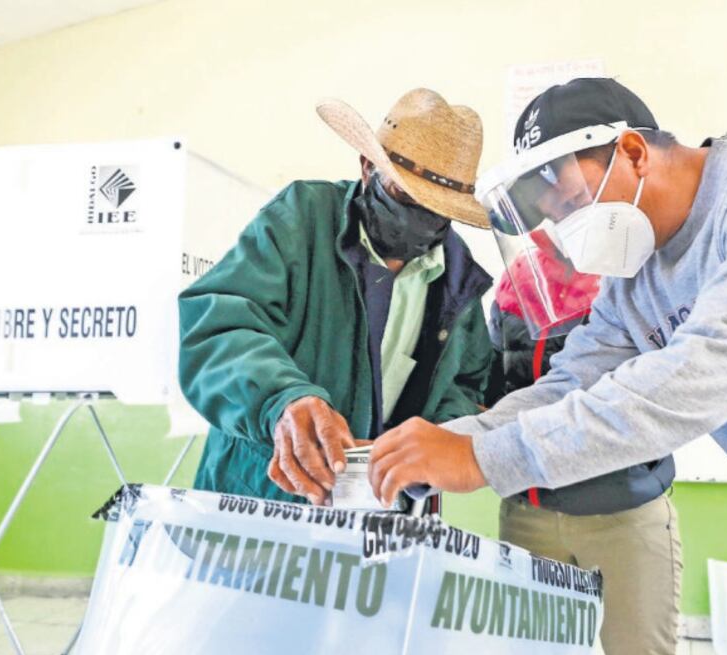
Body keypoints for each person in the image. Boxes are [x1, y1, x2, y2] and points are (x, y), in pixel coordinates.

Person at [367, 78, 727, 655]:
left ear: (634, 153)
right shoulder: (633, 284)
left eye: (568, 204)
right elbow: (569, 382)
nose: (566, 231)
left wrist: (484, 459)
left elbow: (700, 374)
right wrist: (455, 441)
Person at [179, 88, 493, 507]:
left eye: (437, 209)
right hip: (262, 500)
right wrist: (284, 399)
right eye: (405, 195)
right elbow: (218, 327)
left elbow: (466, 387)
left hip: (384, 518)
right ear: (367, 167)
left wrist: (430, 450)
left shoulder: (459, 280)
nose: (420, 218)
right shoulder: (300, 219)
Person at [487, 237, 681, 655]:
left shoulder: (633, 277)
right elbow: (493, 387)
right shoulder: (514, 284)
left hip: (623, 514)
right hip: (528, 514)